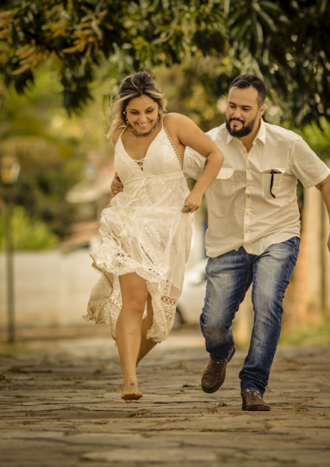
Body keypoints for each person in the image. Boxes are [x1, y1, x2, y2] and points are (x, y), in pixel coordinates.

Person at [114, 74, 330, 411]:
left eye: (244, 108)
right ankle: (221, 353)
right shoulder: (208, 143)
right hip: (227, 244)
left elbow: (326, 181)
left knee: (267, 303)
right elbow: (164, 167)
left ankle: (253, 386)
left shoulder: (288, 143)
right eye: (231, 105)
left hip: (277, 236)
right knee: (212, 323)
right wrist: (122, 177)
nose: (235, 113)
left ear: (261, 109)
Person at [86, 71, 224, 403]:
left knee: (158, 312)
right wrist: (116, 183)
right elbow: (128, 175)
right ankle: (129, 381)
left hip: (170, 227)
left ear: (159, 106)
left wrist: (198, 193)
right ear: (124, 112)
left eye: (149, 110)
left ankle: (127, 363)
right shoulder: (117, 135)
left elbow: (215, 155)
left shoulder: (174, 124)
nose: (143, 118)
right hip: (130, 223)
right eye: (134, 112)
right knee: (133, 301)